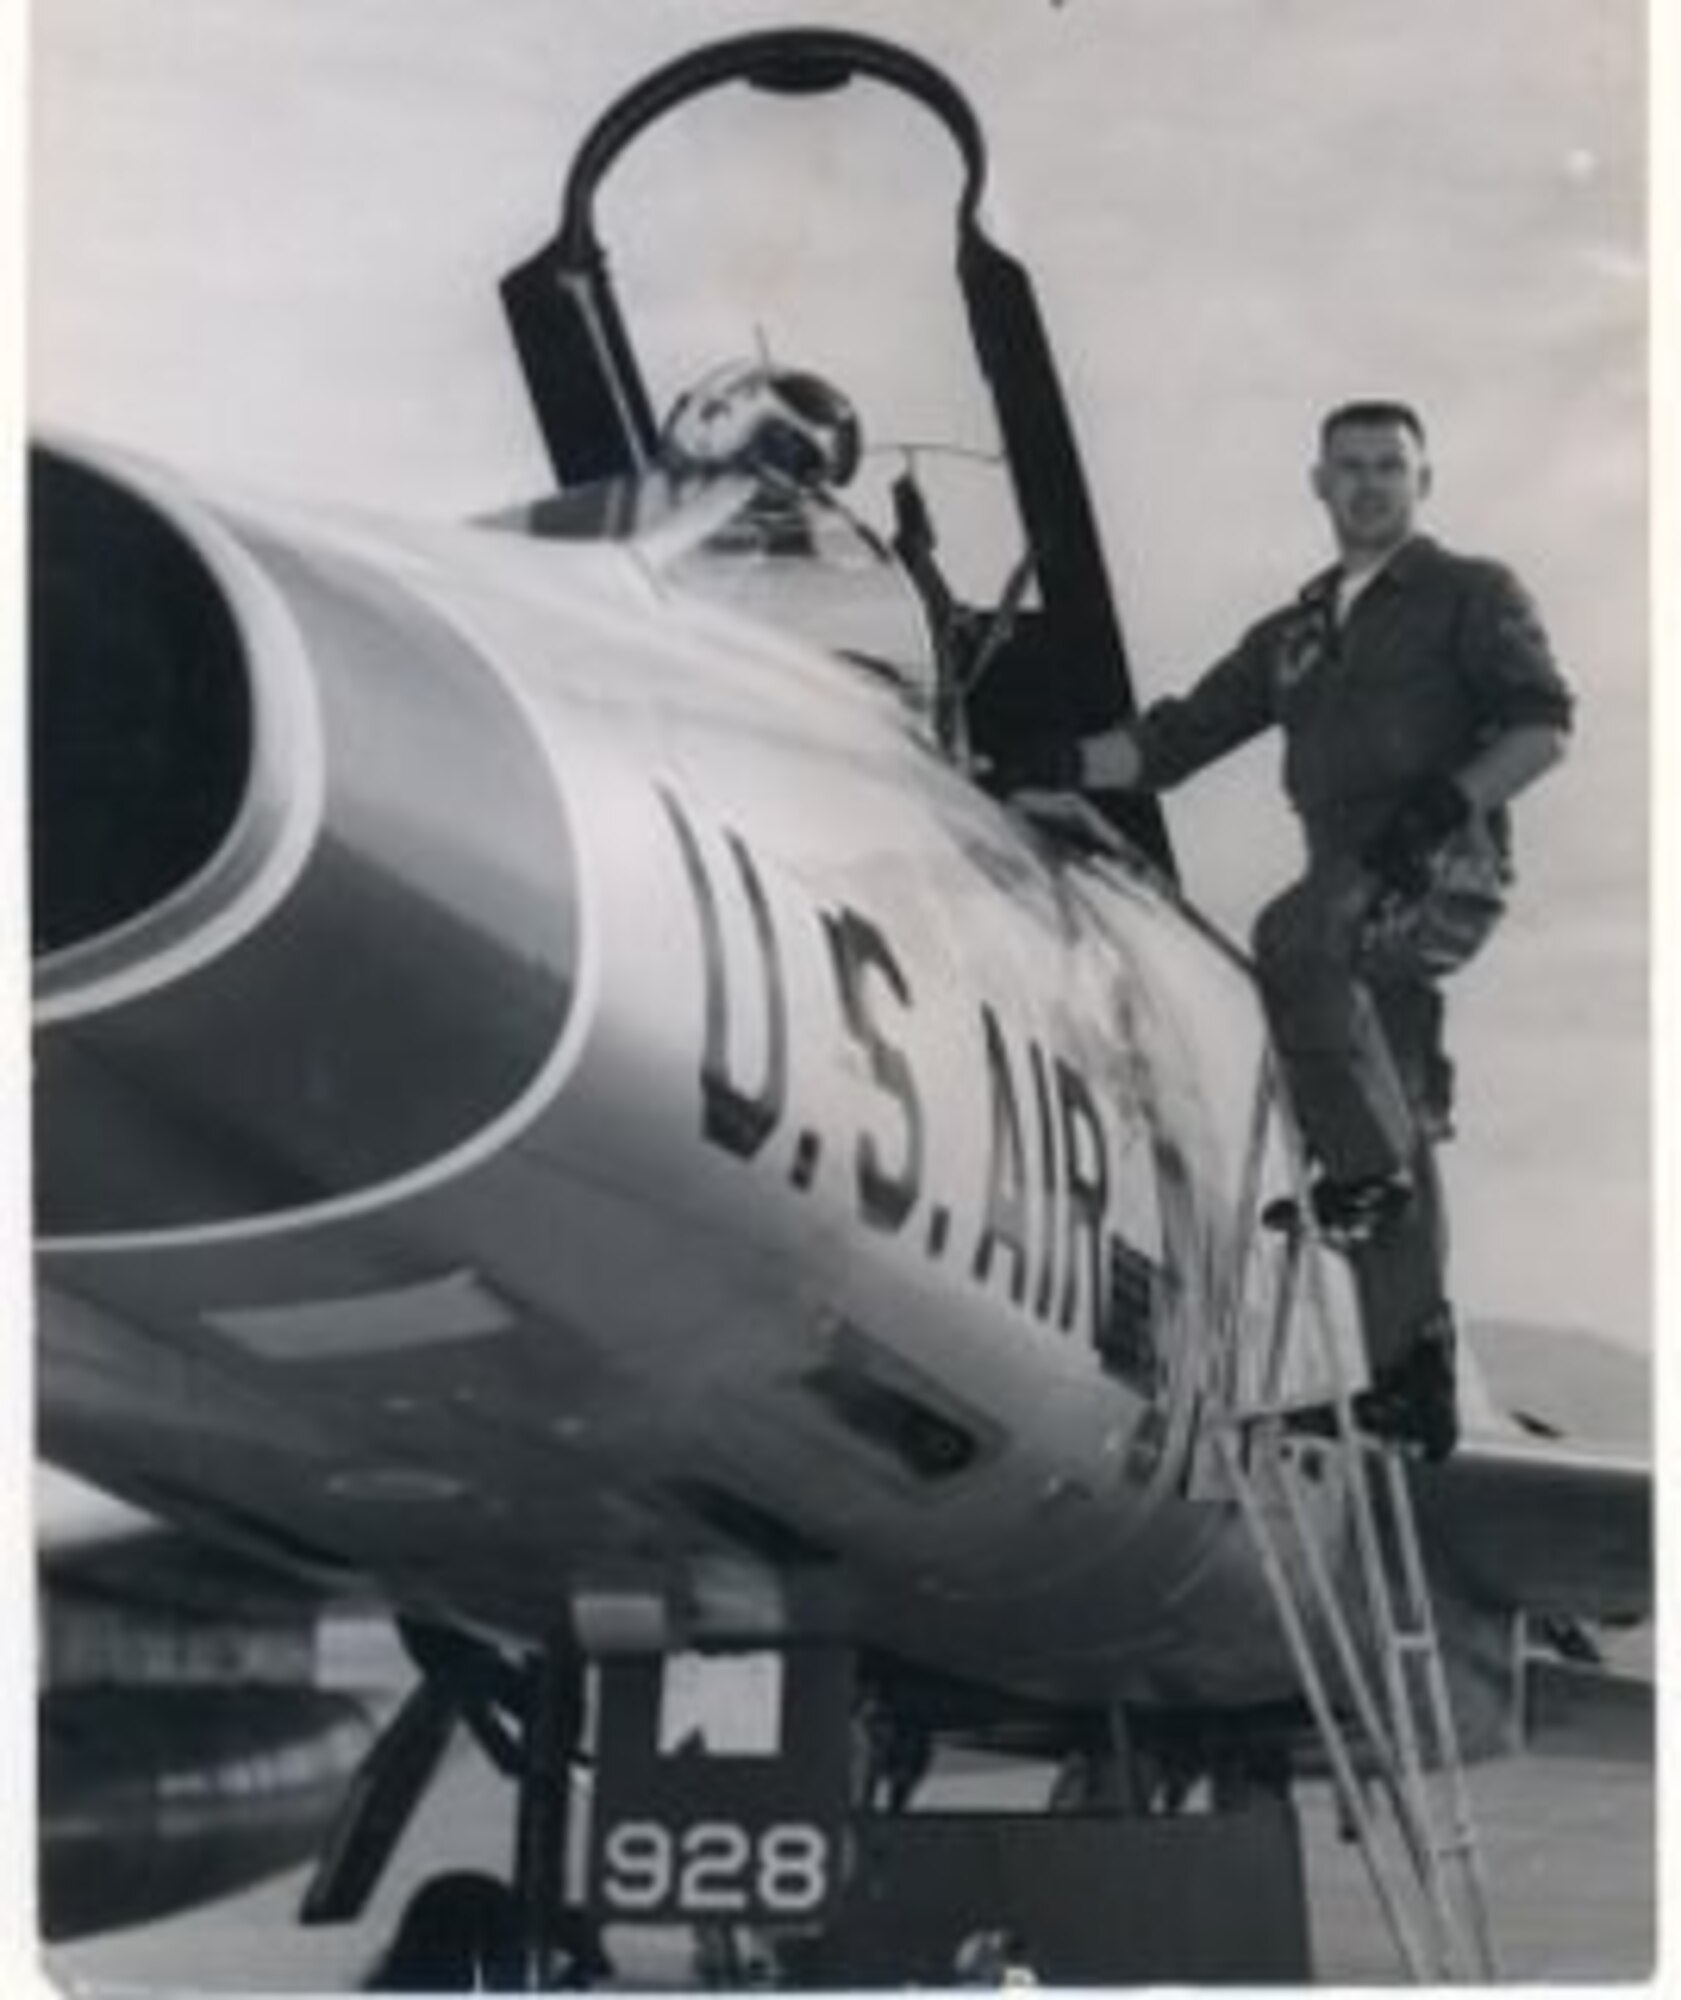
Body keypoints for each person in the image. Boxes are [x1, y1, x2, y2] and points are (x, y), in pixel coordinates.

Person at [1003, 401, 1572, 1458]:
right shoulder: (1298, 631)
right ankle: (1411, 1375)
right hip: (1344, 874)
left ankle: (1362, 1183)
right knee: (1389, 1118)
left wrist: (1444, 808)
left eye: (1389, 467)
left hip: (1432, 860)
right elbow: (1175, 739)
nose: (1368, 485)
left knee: (1292, 938)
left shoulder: (1468, 594)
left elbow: (1544, 722)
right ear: (1318, 483)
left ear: (1421, 481)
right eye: (1349, 467)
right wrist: (1050, 763)